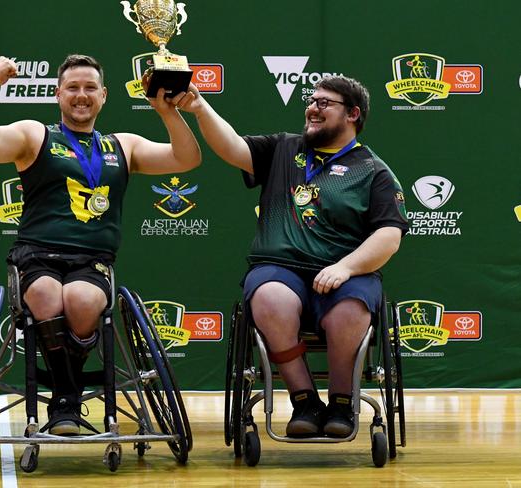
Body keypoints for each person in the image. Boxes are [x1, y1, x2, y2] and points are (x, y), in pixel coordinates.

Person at [0, 55, 201, 435]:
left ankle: (64, 396)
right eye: (72, 87)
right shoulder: (34, 135)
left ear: (104, 96)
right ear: (58, 95)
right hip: (37, 255)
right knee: (44, 293)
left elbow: (186, 159)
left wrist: (166, 111)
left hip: (92, 261)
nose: (81, 95)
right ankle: (66, 398)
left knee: (83, 301)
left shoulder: (124, 144)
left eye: (90, 88)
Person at [174, 75, 408, 437]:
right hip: (279, 269)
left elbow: (389, 236)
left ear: (353, 114)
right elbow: (232, 147)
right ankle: (304, 401)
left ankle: (342, 404)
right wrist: (200, 108)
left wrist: (345, 267)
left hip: (347, 275)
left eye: (324, 103)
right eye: (311, 101)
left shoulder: (373, 171)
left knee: (349, 312)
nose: (312, 108)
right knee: (269, 298)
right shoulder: (283, 148)